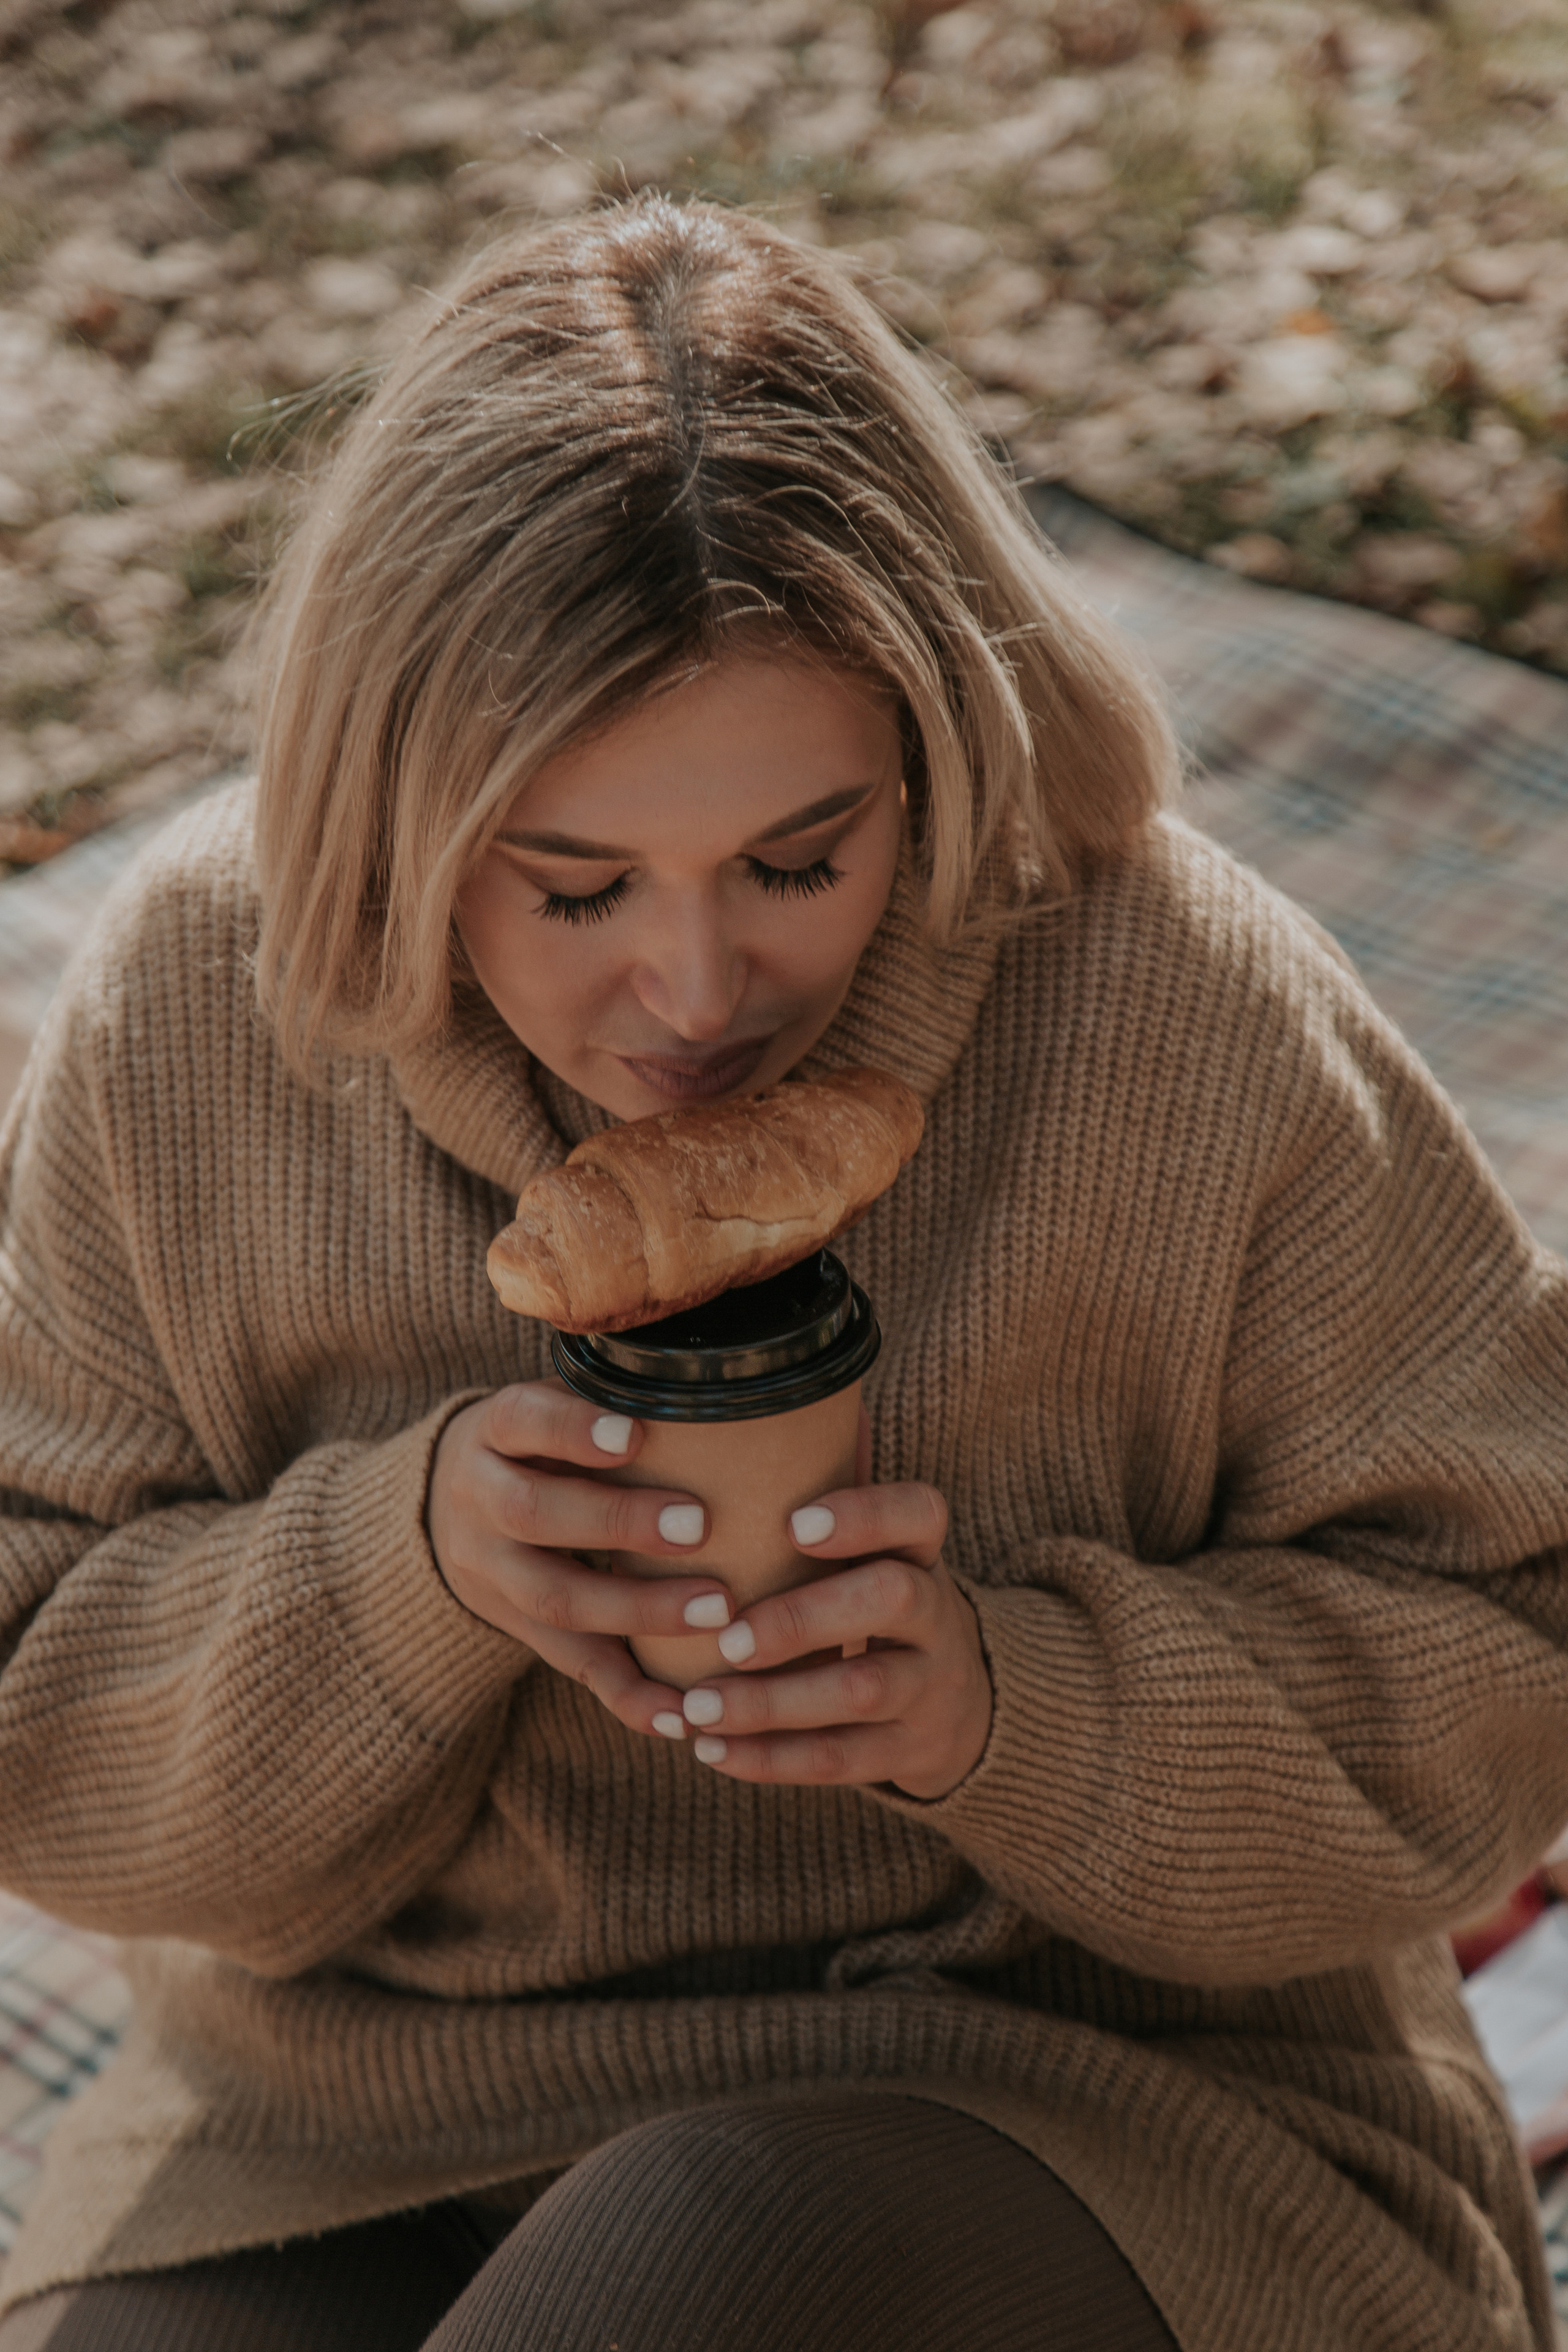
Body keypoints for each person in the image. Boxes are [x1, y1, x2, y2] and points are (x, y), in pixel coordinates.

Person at [1, 195, 1566, 2352]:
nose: (698, 988)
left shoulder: (1172, 1001)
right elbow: (32, 1709)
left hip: (1115, 2110)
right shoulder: (201, 1003)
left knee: (699, 2247)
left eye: (800, 860)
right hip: (353, 2111)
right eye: (574, 888)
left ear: (932, 754)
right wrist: (402, 1572)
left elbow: (1512, 1636)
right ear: (388, 821)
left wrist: (1010, 1704)